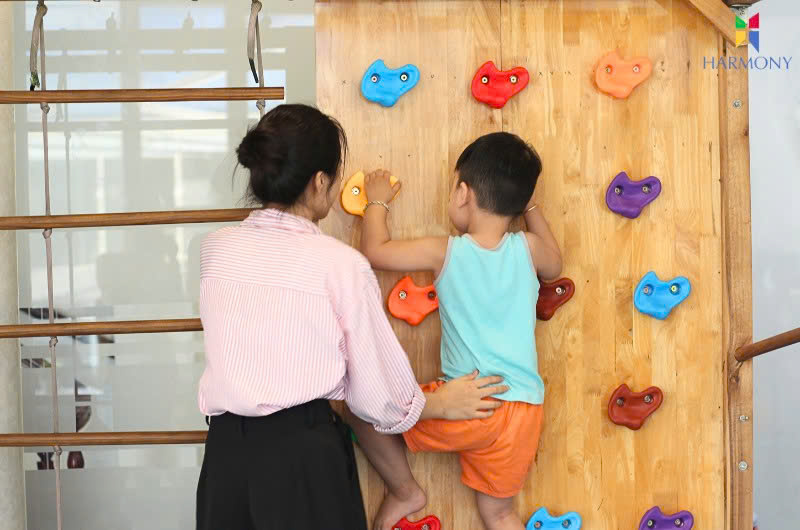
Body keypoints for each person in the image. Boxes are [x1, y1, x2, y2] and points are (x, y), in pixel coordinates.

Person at [195, 104, 508, 530]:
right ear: (320, 182)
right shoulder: (339, 264)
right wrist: (438, 403)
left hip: (226, 460)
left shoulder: (216, 250)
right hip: (302, 461)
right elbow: (375, 394)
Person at [354, 132, 562, 530]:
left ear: (463, 194)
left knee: (364, 412)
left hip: (471, 403)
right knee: (500, 513)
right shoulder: (530, 248)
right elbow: (556, 264)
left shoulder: (446, 250)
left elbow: (376, 252)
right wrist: (530, 206)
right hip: (524, 411)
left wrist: (376, 202)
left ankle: (404, 491)